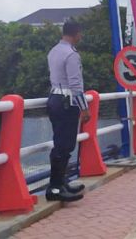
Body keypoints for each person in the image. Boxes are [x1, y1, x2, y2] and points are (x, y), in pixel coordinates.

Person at [45, 20, 90, 202]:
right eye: (80, 33)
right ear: (76, 33)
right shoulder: (71, 55)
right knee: (64, 145)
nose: (81, 36)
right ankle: (55, 187)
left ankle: (61, 183)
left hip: (55, 98)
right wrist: (84, 107)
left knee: (61, 143)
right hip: (66, 101)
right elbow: (75, 84)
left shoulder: (54, 51)